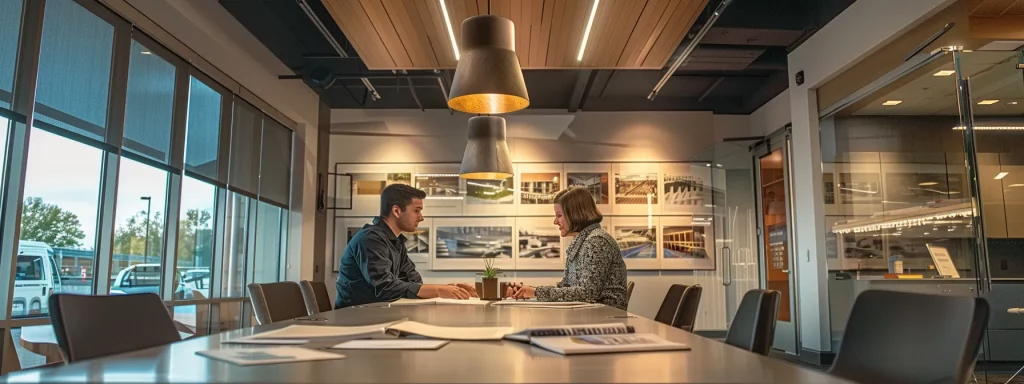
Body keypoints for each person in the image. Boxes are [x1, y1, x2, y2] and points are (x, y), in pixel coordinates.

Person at [336, 184, 477, 308]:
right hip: (355, 319)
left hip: (376, 315)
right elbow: (385, 287)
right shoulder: (370, 239)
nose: (421, 217)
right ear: (396, 211)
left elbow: (414, 282)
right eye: (416, 210)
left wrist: (449, 288)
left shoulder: (396, 243)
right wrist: (439, 290)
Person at [506, 187, 628, 310]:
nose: (555, 221)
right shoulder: (583, 241)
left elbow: (589, 293)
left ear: (575, 214)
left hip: (603, 319)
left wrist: (536, 292)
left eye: (559, 215)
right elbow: (566, 287)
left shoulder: (597, 241)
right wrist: (530, 290)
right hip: (589, 316)